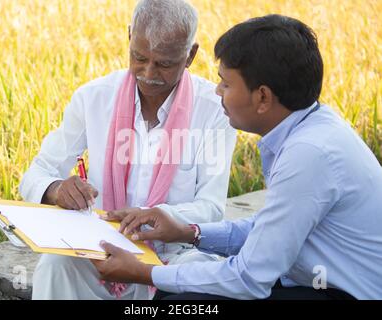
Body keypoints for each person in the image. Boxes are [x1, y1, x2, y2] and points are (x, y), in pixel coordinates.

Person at [90, 14, 382, 300]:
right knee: (180, 291)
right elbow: (266, 230)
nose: (217, 92)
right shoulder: (310, 129)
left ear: (263, 97)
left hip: (340, 292)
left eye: (226, 84)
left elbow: (249, 278)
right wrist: (187, 232)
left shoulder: (308, 155)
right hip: (313, 281)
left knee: (182, 300)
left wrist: (145, 273)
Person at [19, 0, 236, 300]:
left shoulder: (214, 111)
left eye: (164, 63)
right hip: (103, 247)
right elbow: (36, 174)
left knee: (197, 285)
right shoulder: (93, 98)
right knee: (56, 266)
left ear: (190, 56)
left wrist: (156, 216)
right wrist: (55, 189)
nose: (148, 72)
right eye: (139, 57)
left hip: (175, 253)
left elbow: (211, 208)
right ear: (129, 36)